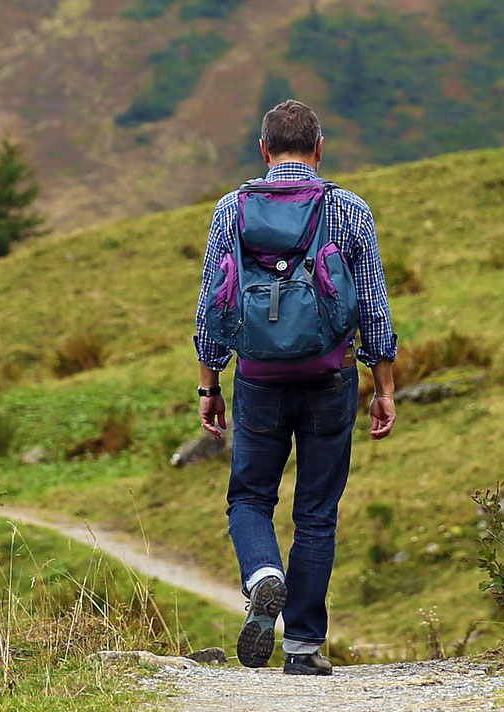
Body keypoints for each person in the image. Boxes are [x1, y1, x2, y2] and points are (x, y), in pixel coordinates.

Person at [193, 99, 397, 675]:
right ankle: (303, 647)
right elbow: (375, 309)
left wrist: (209, 384)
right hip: (330, 377)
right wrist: (383, 386)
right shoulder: (349, 211)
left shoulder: (232, 210)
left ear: (263, 150)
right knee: (316, 512)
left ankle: (263, 575)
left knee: (250, 497)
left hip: (257, 379)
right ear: (319, 148)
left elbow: (213, 303)